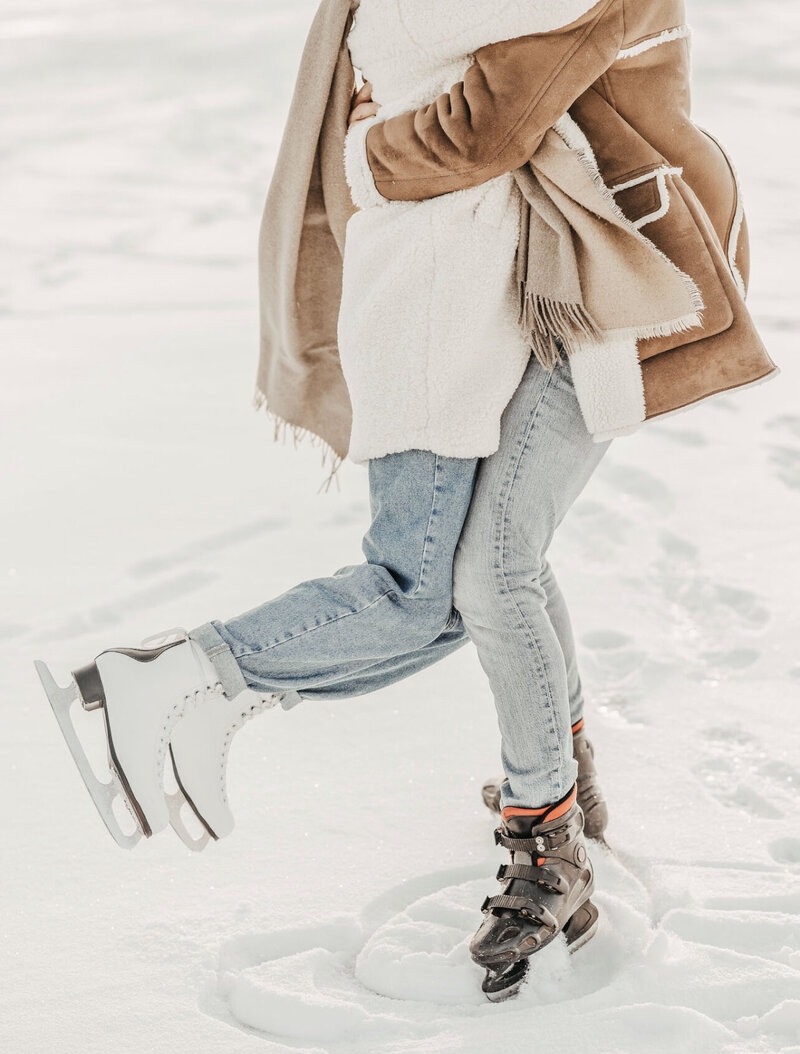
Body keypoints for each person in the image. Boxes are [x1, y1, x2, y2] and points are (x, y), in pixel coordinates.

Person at [36, 0, 775, 1002]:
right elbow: (462, 104)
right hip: (534, 277)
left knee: (486, 571)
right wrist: (381, 150)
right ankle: (546, 799)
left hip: (610, 270)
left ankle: (543, 818)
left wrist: (381, 150)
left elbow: (487, 121)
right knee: (481, 568)